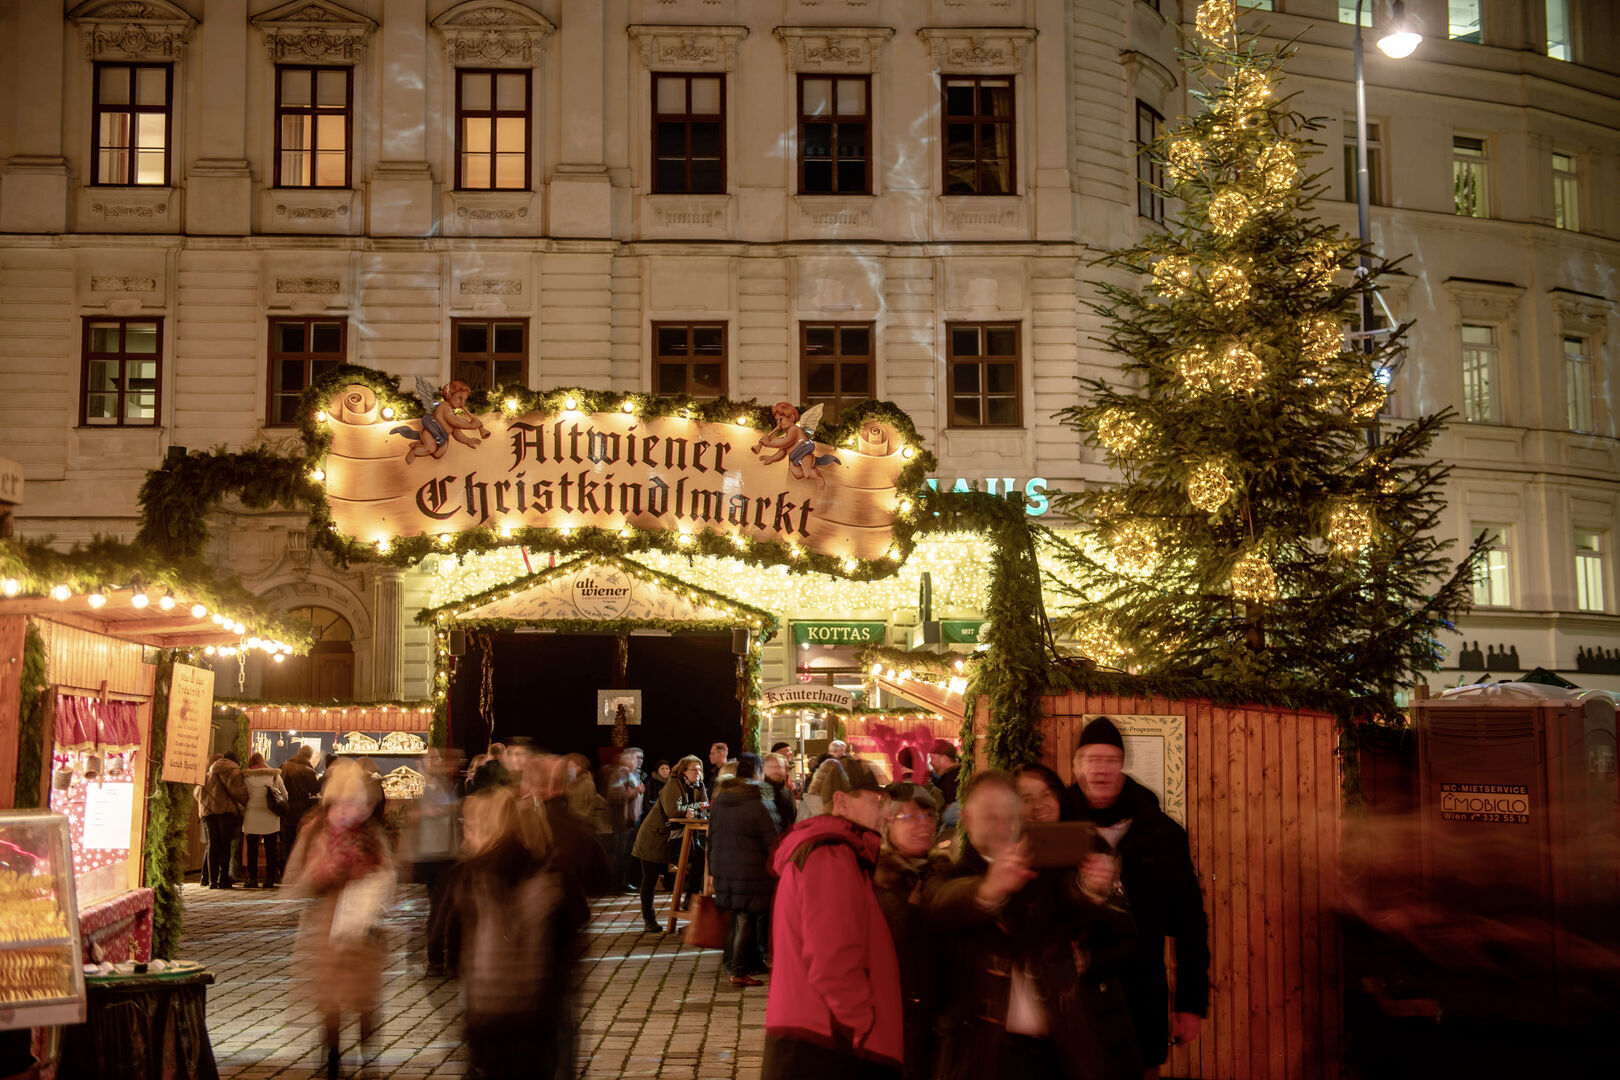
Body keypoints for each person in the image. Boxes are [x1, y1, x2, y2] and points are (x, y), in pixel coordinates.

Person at [923, 770, 1140, 1080]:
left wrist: (1091, 887)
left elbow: (1068, 898)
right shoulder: (947, 867)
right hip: (980, 1055)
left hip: (1053, 1051)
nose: (1002, 826)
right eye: (990, 816)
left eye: (1010, 816)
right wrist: (989, 888)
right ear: (968, 819)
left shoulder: (1040, 867)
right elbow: (938, 903)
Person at [1065, 717, 1209, 1079]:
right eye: (1091, 760)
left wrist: (1191, 1003)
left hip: (1139, 992)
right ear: (1076, 765)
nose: (1100, 770)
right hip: (1069, 993)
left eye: (1110, 760)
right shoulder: (1055, 828)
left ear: (1122, 765)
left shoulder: (1160, 832)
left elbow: (1190, 921)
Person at [765, 756, 901, 1080]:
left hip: (819, 1037)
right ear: (840, 801)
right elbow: (832, 958)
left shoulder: (836, 851)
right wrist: (860, 1024)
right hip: (827, 1044)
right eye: (877, 800)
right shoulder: (831, 854)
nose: (887, 812)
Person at [284, 760, 394, 1080]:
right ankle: (332, 1059)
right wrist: (326, 874)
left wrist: (375, 887)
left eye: (356, 802)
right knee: (330, 998)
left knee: (366, 998)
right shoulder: (316, 828)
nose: (350, 809)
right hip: (327, 927)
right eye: (344, 802)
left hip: (365, 930)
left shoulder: (371, 833)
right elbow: (298, 879)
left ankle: (369, 1061)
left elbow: (388, 873)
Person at [446, 784, 564, 1080]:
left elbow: (453, 940)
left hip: (493, 1005)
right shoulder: (543, 867)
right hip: (535, 1009)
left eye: (469, 825)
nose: (466, 832)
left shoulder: (475, 873)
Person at [873, 783, 940, 1080]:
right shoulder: (877, 878)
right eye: (909, 817)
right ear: (888, 824)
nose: (921, 825)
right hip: (893, 1015)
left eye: (928, 817)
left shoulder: (941, 872)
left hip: (938, 1014)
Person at [709, 752, 780, 987]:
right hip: (749, 870)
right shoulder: (758, 798)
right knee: (745, 918)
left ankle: (733, 964)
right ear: (757, 772)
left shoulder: (721, 798)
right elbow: (772, 838)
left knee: (736, 917)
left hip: (724, 867)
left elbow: (713, 836)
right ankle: (738, 971)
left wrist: (712, 869)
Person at [632, 754, 705, 933]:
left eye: (699, 769)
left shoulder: (699, 785)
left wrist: (695, 809)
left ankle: (690, 897)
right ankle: (649, 920)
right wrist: (694, 809)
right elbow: (673, 810)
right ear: (683, 772)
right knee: (650, 879)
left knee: (701, 855)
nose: (698, 772)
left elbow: (704, 805)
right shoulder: (673, 784)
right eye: (693, 769)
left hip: (679, 837)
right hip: (655, 836)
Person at [407, 748, 463, 977]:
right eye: (433, 758)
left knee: (444, 907)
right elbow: (423, 813)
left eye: (439, 757)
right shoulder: (427, 785)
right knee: (440, 909)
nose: (438, 761)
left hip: (443, 852)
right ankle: (438, 961)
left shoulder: (441, 782)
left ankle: (445, 960)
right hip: (436, 853)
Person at [199, 750, 248, 888]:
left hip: (208, 813)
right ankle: (223, 880)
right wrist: (246, 802)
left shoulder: (209, 772)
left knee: (213, 845)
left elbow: (198, 792)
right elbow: (239, 792)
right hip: (225, 812)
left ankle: (212, 881)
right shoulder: (232, 771)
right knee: (225, 845)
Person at [240, 752, 287, 889]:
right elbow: (284, 795)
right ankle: (270, 879)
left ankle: (252, 878)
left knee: (252, 849)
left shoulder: (247, 777)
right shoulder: (274, 776)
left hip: (251, 816)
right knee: (270, 849)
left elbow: (242, 796)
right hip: (270, 816)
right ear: (263, 761)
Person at [603, 747, 646, 892]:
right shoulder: (621, 773)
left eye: (641, 758)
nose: (640, 761)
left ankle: (623, 882)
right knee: (620, 853)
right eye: (637, 758)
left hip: (632, 821)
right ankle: (617, 883)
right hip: (622, 821)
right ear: (627, 759)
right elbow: (616, 795)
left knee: (626, 853)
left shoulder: (633, 774)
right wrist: (636, 791)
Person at [280, 746, 321, 881]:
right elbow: (314, 790)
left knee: (287, 843)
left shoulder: (285, 767)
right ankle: (299, 875)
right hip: (302, 811)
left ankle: (286, 874)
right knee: (301, 843)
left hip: (285, 810)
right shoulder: (308, 771)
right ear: (309, 756)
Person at [761, 752, 797, 830]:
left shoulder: (788, 795)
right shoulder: (757, 793)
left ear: (786, 770)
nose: (775, 770)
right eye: (771, 767)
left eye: (779, 767)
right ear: (763, 769)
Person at [929, 740, 963, 806]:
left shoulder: (953, 780)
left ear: (944, 758)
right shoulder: (954, 775)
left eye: (932, 758)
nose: (930, 762)